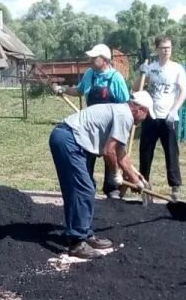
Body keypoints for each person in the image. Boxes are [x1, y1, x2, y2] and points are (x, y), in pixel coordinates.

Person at [49, 90, 152, 259]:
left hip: (74, 141)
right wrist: (116, 174)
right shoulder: (124, 116)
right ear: (139, 109)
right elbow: (108, 151)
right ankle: (77, 242)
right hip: (69, 140)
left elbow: (121, 153)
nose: (144, 119)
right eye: (146, 114)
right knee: (83, 190)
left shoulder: (121, 112)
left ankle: (84, 233)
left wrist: (135, 178)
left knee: (85, 188)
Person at [53, 43, 130, 199]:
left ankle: (112, 189)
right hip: (90, 126)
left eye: (94, 57)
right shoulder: (89, 74)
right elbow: (80, 90)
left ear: (104, 60)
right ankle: (87, 189)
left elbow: (125, 105)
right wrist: (64, 89)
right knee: (87, 157)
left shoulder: (116, 79)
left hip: (110, 126)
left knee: (111, 156)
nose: (90, 59)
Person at [134, 35, 186, 202]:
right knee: (145, 152)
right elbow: (136, 88)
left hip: (169, 118)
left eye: (168, 48)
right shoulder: (152, 68)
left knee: (171, 153)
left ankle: (175, 188)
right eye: (163, 48)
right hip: (151, 116)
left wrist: (174, 110)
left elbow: (183, 92)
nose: (166, 51)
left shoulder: (177, 68)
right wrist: (141, 72)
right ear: (157, 50)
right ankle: (145, 186)